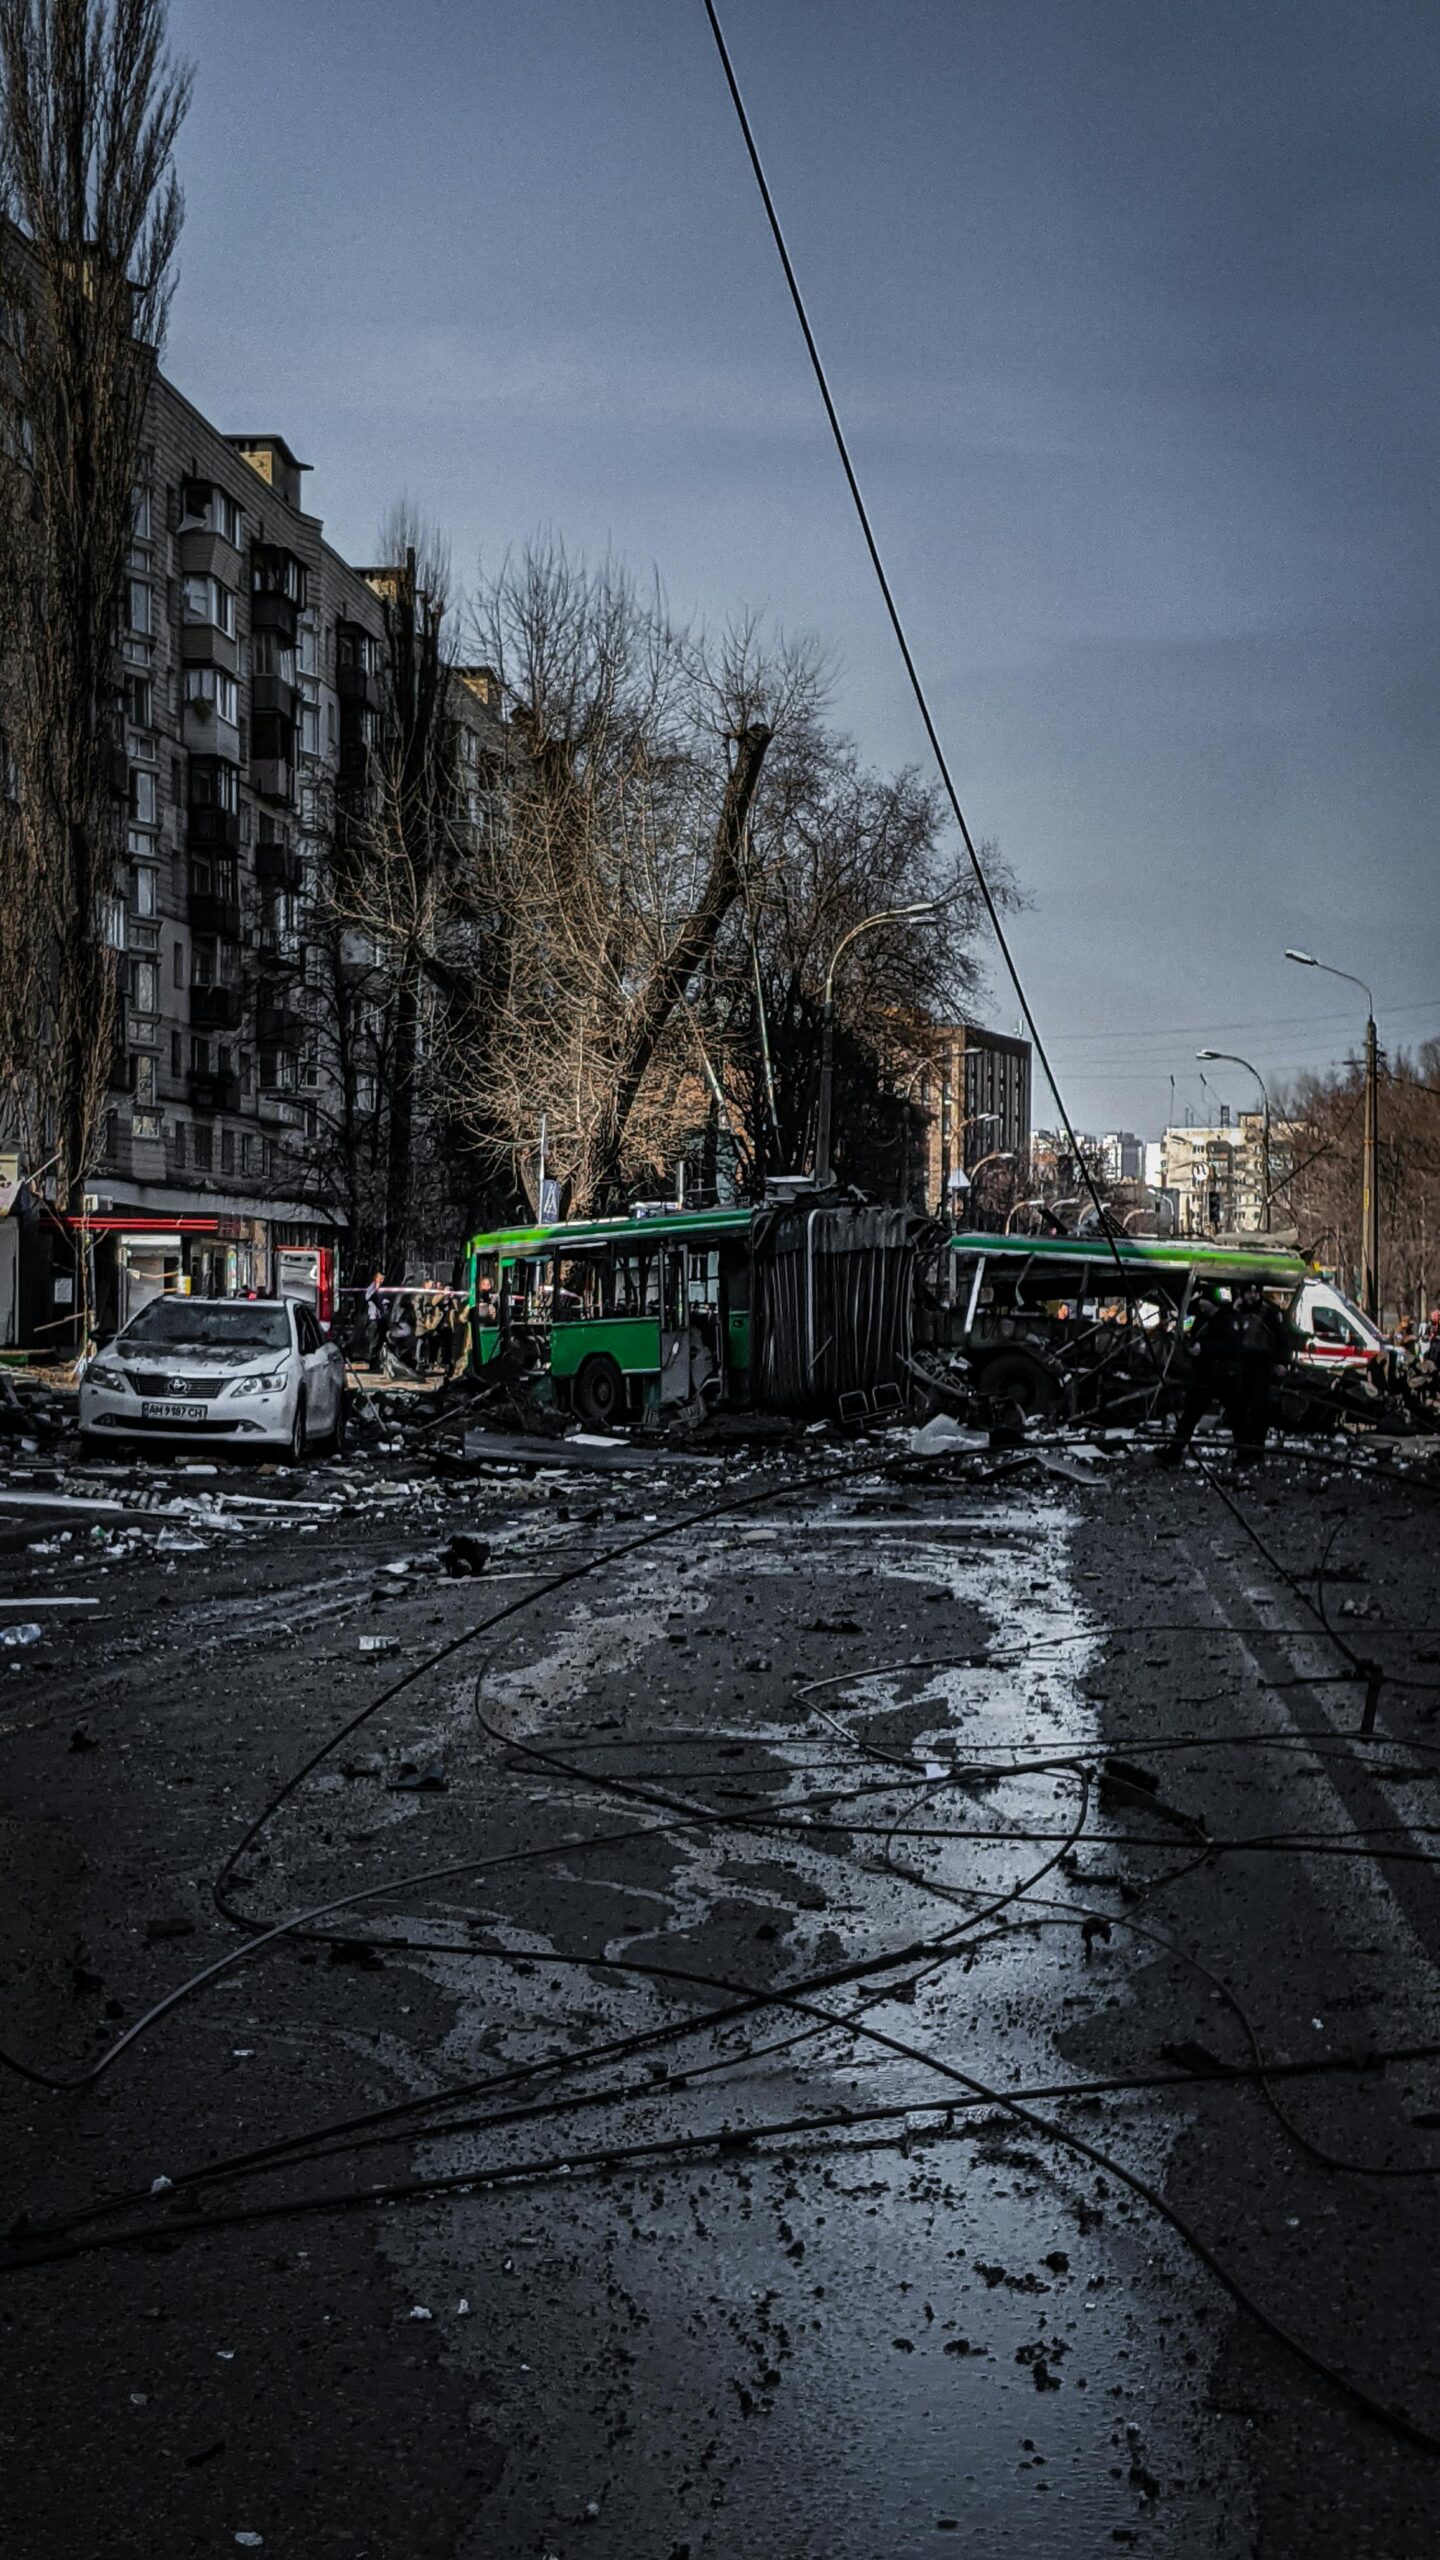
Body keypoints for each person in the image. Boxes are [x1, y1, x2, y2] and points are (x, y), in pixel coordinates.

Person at [1159, 1279, 1288, 1466]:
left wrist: (1280, 1361)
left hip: (1240, 1372)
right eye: (1248, 1292)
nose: (1251, 1296)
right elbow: (1193, 1336)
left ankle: (1251, 1455)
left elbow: (1234, 1345)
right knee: (1199, 1416)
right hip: (1215, 1376)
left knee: (1248, 1416)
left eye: (1255, 1292)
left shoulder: (1241, 1318)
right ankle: (1175, 1453)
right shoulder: (1214, 1318)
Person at [364, 1270, 388, 1368]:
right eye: (380, 1278)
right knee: (374, 1341)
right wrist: (376, 1290)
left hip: (381, 1317)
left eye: (383, 1279)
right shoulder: (372, 1287)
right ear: (376, 1278)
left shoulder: (382, 1288)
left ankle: (379, 1361)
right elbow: (367, 1297)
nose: (382, 1280)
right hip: (374, 1318)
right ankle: (372, 1363)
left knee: (381, 1340)